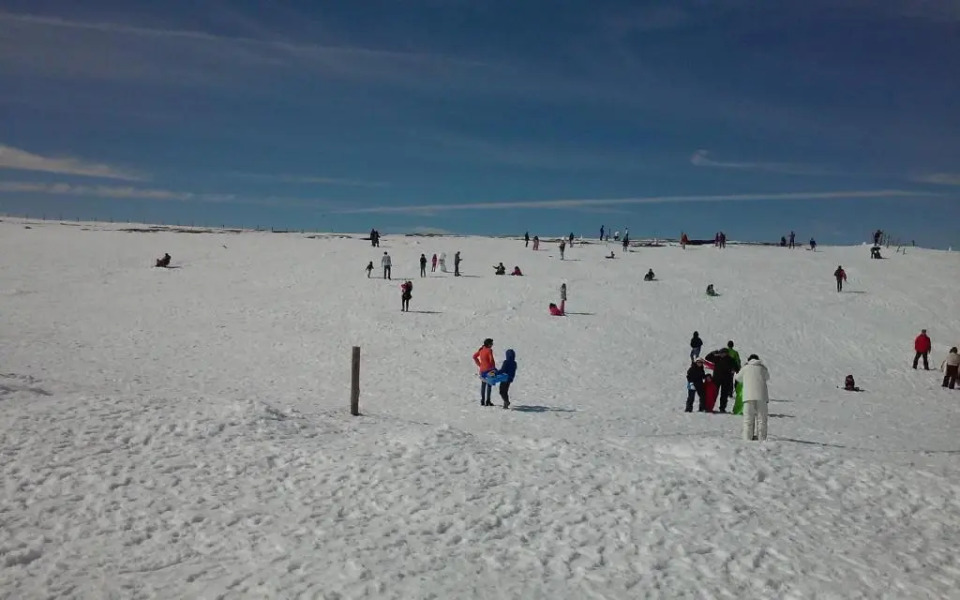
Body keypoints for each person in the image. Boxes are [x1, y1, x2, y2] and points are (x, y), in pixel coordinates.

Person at [736, 354, 770, 441]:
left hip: (748, 396)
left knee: (748, 419)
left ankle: (747, 438)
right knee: (762, 419)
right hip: (762, 396)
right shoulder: (762, 368)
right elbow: (767, 377)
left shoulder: (745, 368)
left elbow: (738, 378)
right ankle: (761, 438)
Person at [705, 347, 735, 412]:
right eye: (721, 353)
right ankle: (710, 407)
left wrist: (733, 370)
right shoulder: (717, 358)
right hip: (716, 379)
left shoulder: (731, 360)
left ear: (726, 353)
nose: (721, 354)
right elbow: (707, 358)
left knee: (724, 395)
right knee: (714, 393)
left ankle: (722, 408)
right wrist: (713, 353)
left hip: (726, 380)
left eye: (723, 353)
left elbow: (736, 367)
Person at [473, 338, 496, 406]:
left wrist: (479, 364)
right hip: (489, 370)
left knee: (483, 385)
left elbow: (474, 356)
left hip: (482, 370)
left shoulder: (481, 349)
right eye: (491, 343)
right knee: (489, 385)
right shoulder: (489, 350)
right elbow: (491, 360)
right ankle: (488, 400)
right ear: (488, 344)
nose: (492, 345)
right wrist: (494, 368)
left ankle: (482, 400)